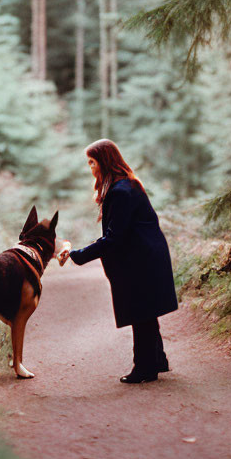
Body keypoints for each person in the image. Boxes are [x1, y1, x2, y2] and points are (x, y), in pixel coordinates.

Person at [58, 139, 178, 384]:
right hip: (145, 255)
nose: (90, 168)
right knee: (145, 309)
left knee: (140, 310)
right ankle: (156, 360)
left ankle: (144, 368)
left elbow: (114, 238)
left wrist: (78, 255)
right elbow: (118, 233)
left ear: (104, 162)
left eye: (92, 162)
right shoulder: (127, 186)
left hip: (141, 258)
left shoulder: (121, 191)